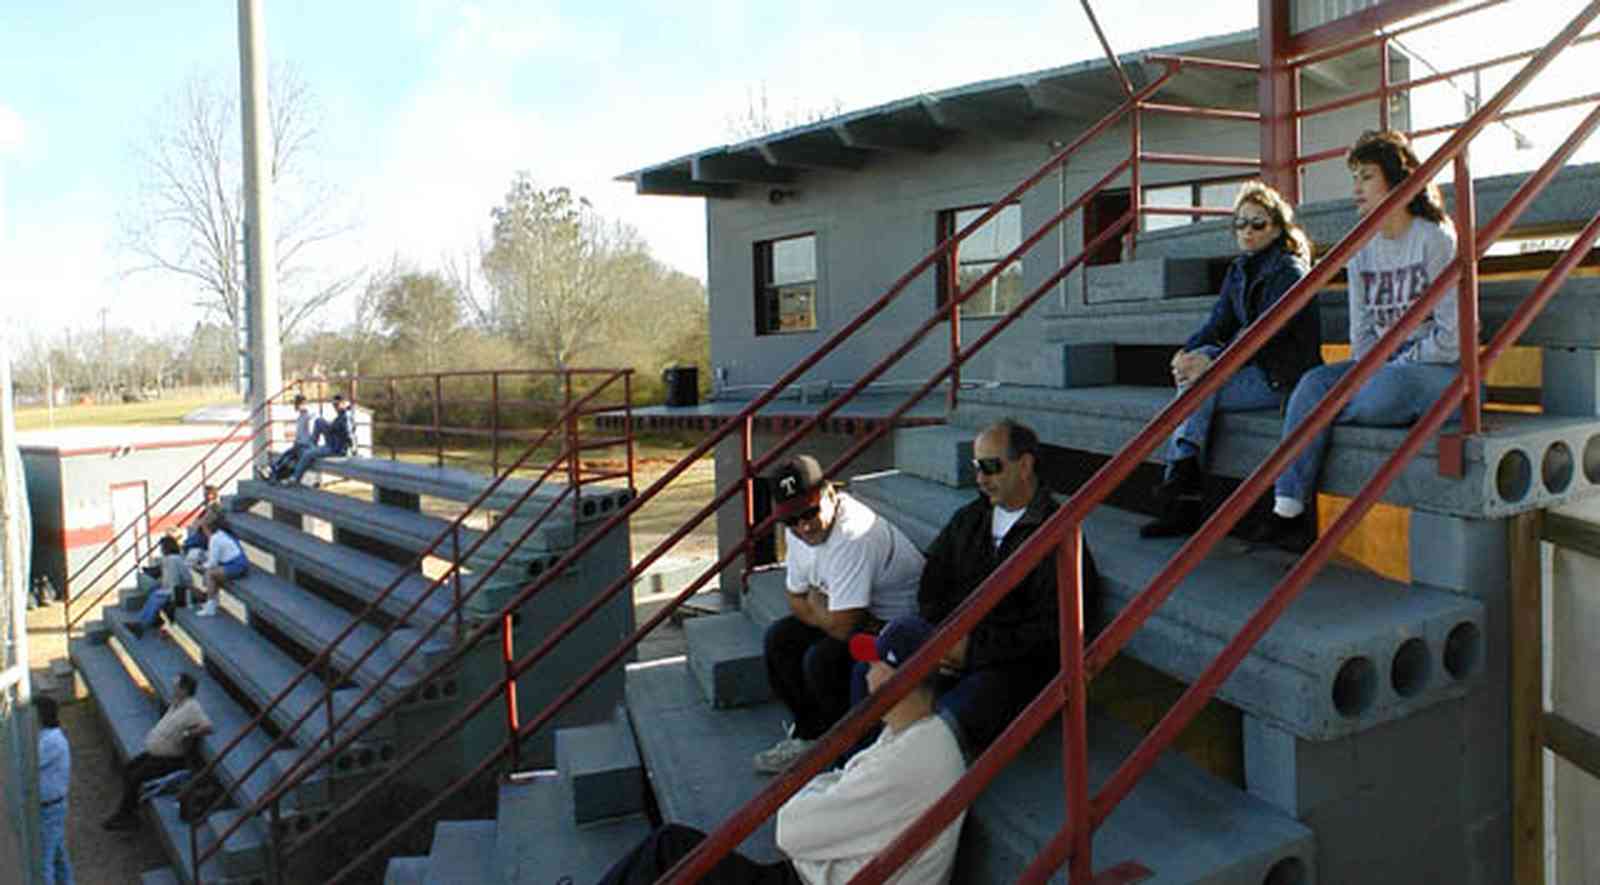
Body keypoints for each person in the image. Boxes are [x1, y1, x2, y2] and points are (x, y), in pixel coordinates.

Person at [597, 615, 967, 885]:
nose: (865, 669)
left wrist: (819, 802)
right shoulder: (910, 734)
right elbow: (829, 793)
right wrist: (824, 801)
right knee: (673, 852)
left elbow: (790, 829)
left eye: (874, 661)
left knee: (669, 849)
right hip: (808, 875)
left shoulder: (911, 757)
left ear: (898, 676)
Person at [1245, 130, 1460, 553]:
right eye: (1354, 178)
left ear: (1397, 180)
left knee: (1383, 390)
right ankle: (1288, 508)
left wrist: (1395, 361)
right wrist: (1376, 363)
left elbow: (1452, 339)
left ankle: (1315, 422)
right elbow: (1361, 335)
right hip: (1382, 365)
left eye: (1367, 176)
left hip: (1438, 371)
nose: (1356, 188)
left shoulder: (1435, 238)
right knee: (1312, 384)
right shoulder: (1361, 246)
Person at [1142, 181, 1322, 538]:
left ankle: (1183, 491)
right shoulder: (1240, 270)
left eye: (1258, 223)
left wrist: (1212, 364)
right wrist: (1186, 353)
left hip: (1280, 378)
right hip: (1250, 367)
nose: (1247, 231)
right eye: (1240, 223)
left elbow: (1264, 335)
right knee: (1196, 369)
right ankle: (1184, 477)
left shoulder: (1288, 271)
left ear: (1277, 228)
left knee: (1199, 381)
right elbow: (1218, 324)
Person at [918, 419, 1101, 758]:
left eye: (990, 466)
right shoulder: (968, 519)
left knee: (942, 724)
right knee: (876, 674)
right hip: (953, 650)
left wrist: (971, 650)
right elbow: (932, 584)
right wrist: (944, 639)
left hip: (1010, 670)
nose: (980, 479)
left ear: (1025, 465)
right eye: (977, 467)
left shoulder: (1058, 533)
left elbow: (1053, 631)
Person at [103, 672, 213, 831]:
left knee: (135, 777)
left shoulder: (192, 707)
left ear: (184, 689)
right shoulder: (177, 704)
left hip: (170, 759)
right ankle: (130, 810)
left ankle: (126, 816)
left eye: (176, 686)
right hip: (156, 754)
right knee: (128, 769)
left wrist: (188, 733)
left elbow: (208, 726)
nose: (173, 688)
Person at [36, 695, 73, 885]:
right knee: (57, 855)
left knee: (44, 862)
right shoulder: (46, 737)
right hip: (52, 806)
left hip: (51, 808)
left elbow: (29, 761)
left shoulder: (51, 741)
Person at [129, 533, 192, 638]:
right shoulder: (168, 559)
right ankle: (141, 622)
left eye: (162, 547)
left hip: (180, 593)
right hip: (171, 590)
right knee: (153, 594)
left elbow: (181, 581)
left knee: (156, 597)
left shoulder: (175, 560)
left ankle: (141, 625)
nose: (161, 550)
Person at [289, 393, 357, 485]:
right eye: (334, 405)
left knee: (308, 454)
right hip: (333, 442)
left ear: (343, 403)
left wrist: (353, 451)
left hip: (336, 449)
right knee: (319, 421)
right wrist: (330, 425)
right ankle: (312, 445)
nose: (335, 407)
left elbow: (350, 434)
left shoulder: (346, 417)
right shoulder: (342, 414)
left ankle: (295, 477)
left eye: (337, 405)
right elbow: (338, 428)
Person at [198, 513, 247, 617]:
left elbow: (212, 563)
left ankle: (210, 607)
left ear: (207, 528)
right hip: (237, 561)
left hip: (236, 565)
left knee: (210, 574)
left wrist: (198, 566)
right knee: (211, 573)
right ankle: (213, 603)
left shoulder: (214, 539)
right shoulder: (220, 533)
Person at [263, 393, 314, 483]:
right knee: (286, 455)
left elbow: (311, 433)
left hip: (305, 446)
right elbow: (299, 434)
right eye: (296, 403)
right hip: (299, 444)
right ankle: (273, 471)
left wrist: (302, 443)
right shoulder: (300, 417)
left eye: (297, 404)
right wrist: (296, 442)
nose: (296, 406)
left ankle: (274, 473)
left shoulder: (308, 416)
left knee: (288, 458)